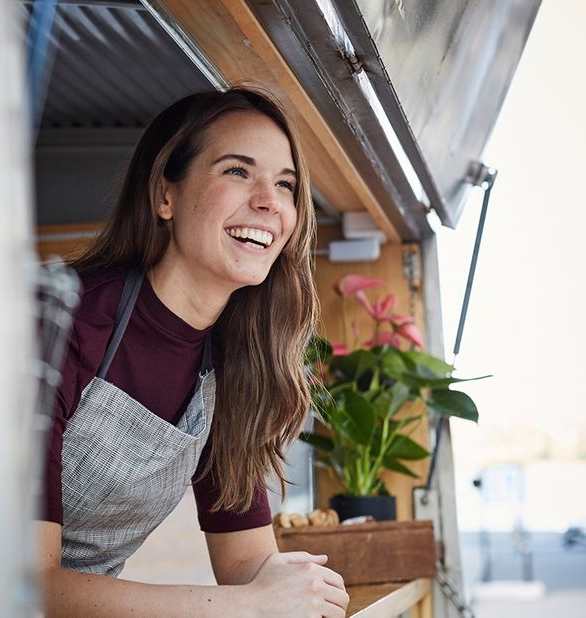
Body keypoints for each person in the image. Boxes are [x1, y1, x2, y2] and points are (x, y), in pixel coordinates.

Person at [37, 87, 349, 617]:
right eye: (236, 171)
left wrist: (291, 585)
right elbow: (22, 587)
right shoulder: (60, 320)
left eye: (285, 184)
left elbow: (247, 562)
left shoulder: (233, 367)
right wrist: (246, 607)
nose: (269, 202)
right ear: (166, 195)